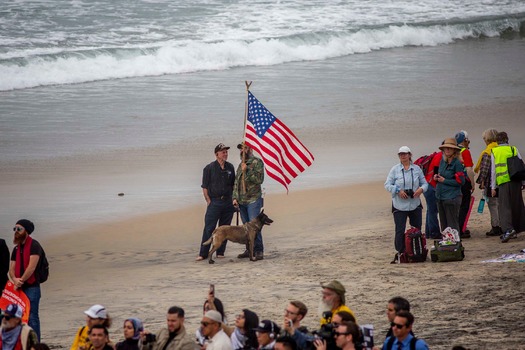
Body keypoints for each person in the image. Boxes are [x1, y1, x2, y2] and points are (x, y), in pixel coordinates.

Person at [384, 146, 428, 257]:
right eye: (400, 154)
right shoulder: (395, 169)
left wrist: (420, 190)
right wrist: (398, 191)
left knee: (416, 229)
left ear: (410, 155)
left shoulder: (417, 169)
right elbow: (387, 185)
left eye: (405, 154)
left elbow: (425, 183)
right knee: (399, 229)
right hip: (399, 205)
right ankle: (401, 252)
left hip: (415, 203)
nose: (403, 156)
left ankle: (416, 250)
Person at [197, 143, 236, 261]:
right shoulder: (209, 168)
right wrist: (208, 200)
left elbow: (233, 185)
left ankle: (220, 252)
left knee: (225, 228)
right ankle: (203, 253)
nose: (225, 154)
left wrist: (234, 199)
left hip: (228, 202)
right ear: (216, 154)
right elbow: (205, 187)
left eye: (226, 152)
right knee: (209, 228)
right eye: (223, 152)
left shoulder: (230, 167)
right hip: (214, 202)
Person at [8, 219, 44, 340]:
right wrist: (14, 280)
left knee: (32, 316)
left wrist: (21, 280)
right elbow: (11, 269)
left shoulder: (34, 245)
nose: (16, 231)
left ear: (26, 231)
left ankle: (36, 343)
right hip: (19, 287)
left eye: (19, 229)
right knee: (20, 317)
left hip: (32, 286)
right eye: (15, 229)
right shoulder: (16, 249)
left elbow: (31, 267)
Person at [490, 132, 525, 243]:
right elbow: (521, 166)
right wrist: (523, 181)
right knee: (517, 205)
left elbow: (494, 171)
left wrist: (493, 187)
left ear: (497, 141)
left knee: (504, 207)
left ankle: (508, 230)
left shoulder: (494, 151)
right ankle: (517, 228)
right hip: (515, 180)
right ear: (507, 140)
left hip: (503, 182)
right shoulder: (513, 149)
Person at [233, 143, 265, 261]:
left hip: (253, 200)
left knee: (254, 226)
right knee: (246, 228)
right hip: (242, 201)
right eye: (241, 149)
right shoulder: (240, 165)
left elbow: (259, 179)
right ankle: (249, 250)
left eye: (245, 148)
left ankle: (258, 250)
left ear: (250, 149)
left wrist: (247, 171)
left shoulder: (257, 162)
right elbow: (236, 183)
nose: (242, 150)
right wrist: (235, 198)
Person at [474, 128, 501, 236]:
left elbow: (484, 169)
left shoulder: (487, 152)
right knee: (500, 205)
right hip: (502, 181)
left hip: (491, 183)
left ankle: (495, 227)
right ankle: (503, 225)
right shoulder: (501, 149)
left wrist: (481, 182)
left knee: (493, 205)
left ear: (487, 139)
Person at [434, 138, 465, 233]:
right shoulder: (442, 161)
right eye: (445, 148)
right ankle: (446, 244)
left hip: (452, 197)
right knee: (443, 225)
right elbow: (441, 176)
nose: (447, 150)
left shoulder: (457, 163)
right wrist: (436, 177)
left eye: (449, 148)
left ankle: (455, 244)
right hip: (440, 197)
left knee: (452, 225)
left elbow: (461, 182)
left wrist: (444, 180)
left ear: (454, 150)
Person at [455, 131, 475, 238]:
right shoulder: (465, 151)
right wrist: (472, 184)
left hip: (454, 183)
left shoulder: (453, 151)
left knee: (456, 207)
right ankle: (461, 229)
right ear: (465, 140)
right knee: (464, 206)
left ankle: (456, 228)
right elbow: (469, 169)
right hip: (464, 182)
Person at [423, 151, 443, 239]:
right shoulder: (440, 156)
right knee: (433, 211)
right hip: (431, 185)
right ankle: (434, 233)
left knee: (430, 210)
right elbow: (436, 173)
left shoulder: (438, 155)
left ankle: (428, 232)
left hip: (427, 184)